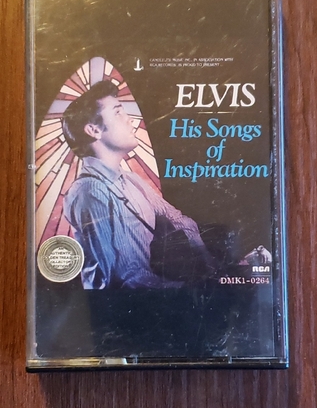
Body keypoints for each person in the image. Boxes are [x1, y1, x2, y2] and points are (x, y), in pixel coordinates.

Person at [62, 80, 213, 289]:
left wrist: (211, 266)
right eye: (117, 113)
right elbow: (126, 277)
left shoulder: (131, 180)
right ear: (93, 130)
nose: (129, 119)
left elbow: (178, 219)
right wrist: (190, 290)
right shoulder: (90, 191)